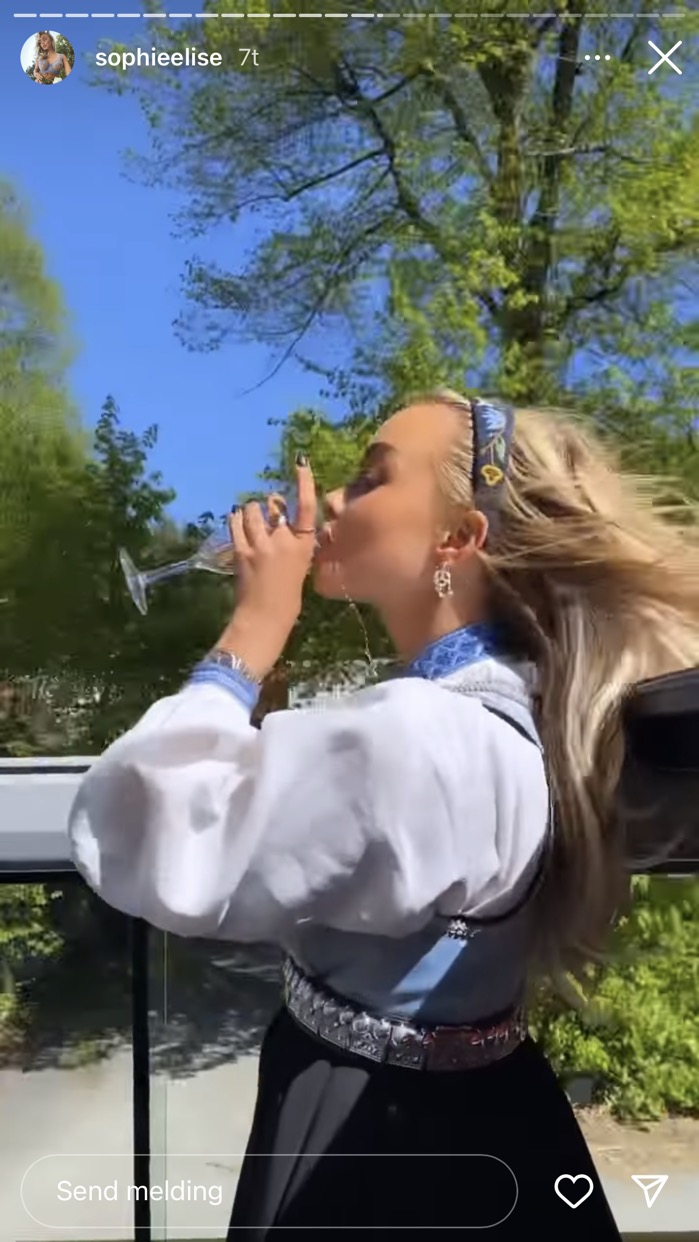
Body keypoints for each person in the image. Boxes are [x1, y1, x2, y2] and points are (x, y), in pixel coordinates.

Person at [67, 392, 699, 1239]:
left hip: (376, 1156)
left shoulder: (422, 739)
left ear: (457, 538)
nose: (331, 498)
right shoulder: (533, 710)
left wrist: (252, 631)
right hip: (495, 1118)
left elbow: (148, 830)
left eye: (370, 477)